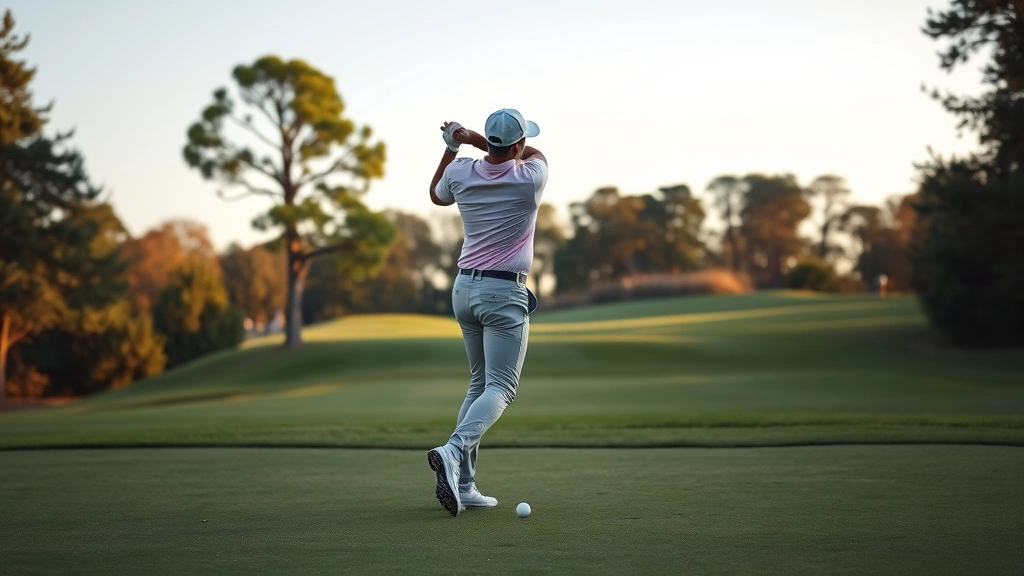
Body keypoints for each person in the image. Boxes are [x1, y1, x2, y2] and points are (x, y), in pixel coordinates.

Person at [425, 109, 548, 516]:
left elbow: (436, 195)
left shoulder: (460, 172)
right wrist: (477, 139)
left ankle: (465, 484)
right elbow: (537, 153)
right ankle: (454, 451)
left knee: (479, 384)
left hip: (464, 289)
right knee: (502, 387)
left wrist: (452, 145)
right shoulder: (528, 178)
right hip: (502, 293)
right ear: (516, 145)